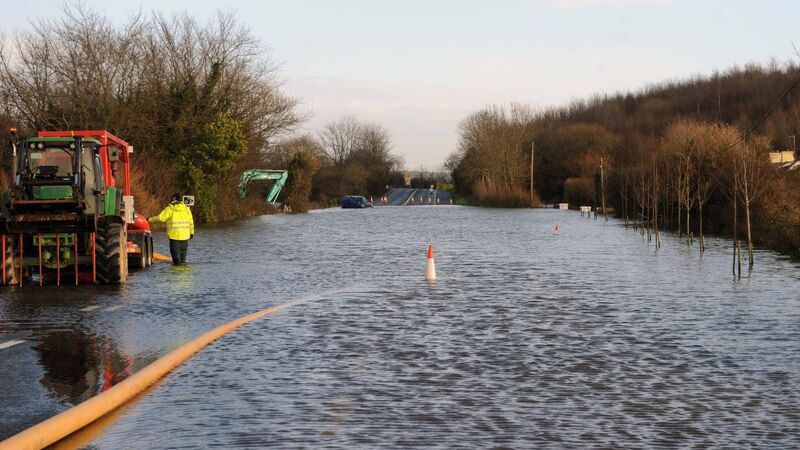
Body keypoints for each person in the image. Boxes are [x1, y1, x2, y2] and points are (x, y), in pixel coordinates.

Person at [149, 193, 194, 265]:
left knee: (176, 260)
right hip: (185, 236)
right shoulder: (186, 209)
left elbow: (161, 218)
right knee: (183, 259)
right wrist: (191, 233)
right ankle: (183, 273)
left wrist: (149, 219)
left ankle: (176, 273)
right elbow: (191, 222)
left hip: (174, 236)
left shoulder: (170, 209)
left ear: (173, 199)